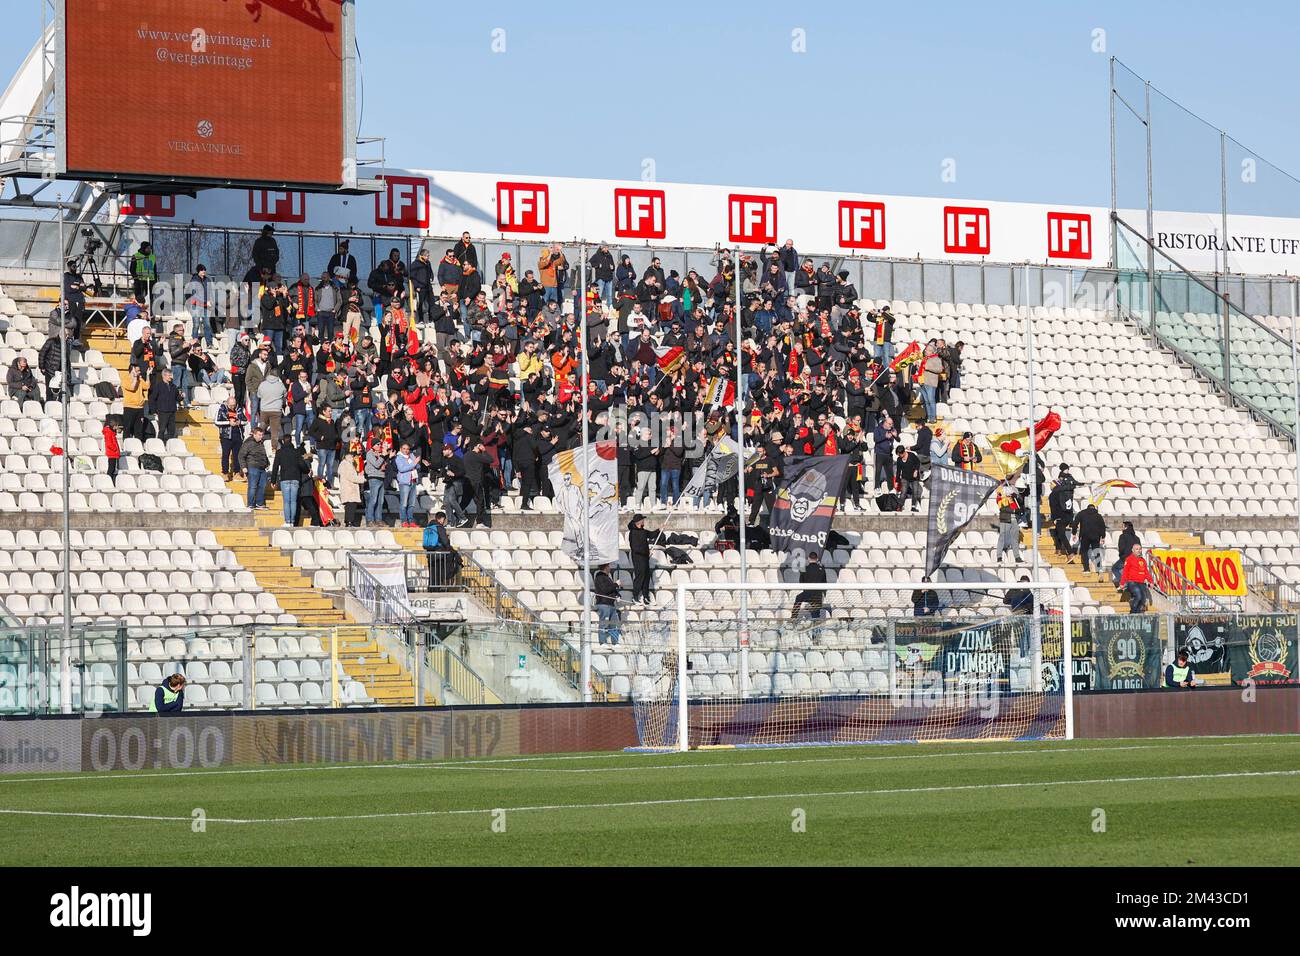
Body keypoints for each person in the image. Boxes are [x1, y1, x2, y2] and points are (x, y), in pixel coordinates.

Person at [270, 438, 308, 526]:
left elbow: (275, 467)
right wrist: (307, 470)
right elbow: (302, 464)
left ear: (283, 442)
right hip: (295, 478)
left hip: (285, 479)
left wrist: (273, 480)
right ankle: (292, 521)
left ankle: (287, 522)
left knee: (287, 501)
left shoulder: (279, 452)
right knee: (293, 501)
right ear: (291, 441)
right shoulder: (296, 452)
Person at [422, 511, 460, 587]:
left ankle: (431, 589)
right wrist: (452, 550)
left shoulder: (428, 527)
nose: (443, 522)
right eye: (444, 519)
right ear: (441, 519)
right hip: (439, 555)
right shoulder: (439, 527)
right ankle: (437, 590)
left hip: (430, 555)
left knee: (432, 574)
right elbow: (445, 541)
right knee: (438, 574)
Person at [238, 425, 271, 509]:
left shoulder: (261, 443)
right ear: (254, 434)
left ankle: (259, 503)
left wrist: (267, 462)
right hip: (252, 467)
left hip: (262, 468)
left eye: (262, 435)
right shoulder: (248, 443)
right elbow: (241, 455)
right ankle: (250, 504)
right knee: (252, 486)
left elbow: (262, 454)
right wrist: (243, 467)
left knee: (262, 486)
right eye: (259, 435)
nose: (261, 436)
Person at [216, 395, 247, 480]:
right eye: (231, 405)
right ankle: (225, 473)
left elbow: (245, 421)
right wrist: (228, 422)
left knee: (237, 455)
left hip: (238, 435)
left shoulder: (239, 409)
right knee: (226, 455)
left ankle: (237, 473)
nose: (233, 407)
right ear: (227, 403)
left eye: (234, 405)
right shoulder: (222, 409)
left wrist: (239, 422)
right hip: (226, 436)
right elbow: (216, 422)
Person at [792, 551, 829, 619]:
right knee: (816, 612)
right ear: (817, 559)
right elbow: (824, 583)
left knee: (798, 598)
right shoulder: (822, 569)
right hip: (818, 595)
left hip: (807, 594)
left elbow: (801, 583)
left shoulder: (804, 569)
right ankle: (816, 621)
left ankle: (793, 617)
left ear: (808, 559)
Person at [629, 514, 656, 604]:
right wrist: (646, 552)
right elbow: (635, 548)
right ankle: (635, 596)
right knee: (640, 576)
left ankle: (645, 596)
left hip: (644, 558)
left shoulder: (643, 531)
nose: (644, 521)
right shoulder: (633, 533)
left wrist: (659, 529)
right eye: (643, 520)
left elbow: (651, 534)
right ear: (639, 521)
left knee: (646, 577)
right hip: (638, 558)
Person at [1118, 544, 1153, 614]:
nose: (1139, 551)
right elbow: (1125, 572)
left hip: (1142, 582)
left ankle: (1137, 613)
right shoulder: (1129, 559)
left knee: (1143, 599)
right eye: (1137, 549)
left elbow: (1146, 571)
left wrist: (1151, 581)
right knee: (1138, 596)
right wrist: (1122, 583)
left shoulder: (1143, 560)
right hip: (1132, 582)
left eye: (1140, 549)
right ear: (1133, 550)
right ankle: (1132, 613)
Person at [1073, 502, 1107, 576]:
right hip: (1096, 536)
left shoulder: (1081, 513)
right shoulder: (1098, 516)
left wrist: (1074, 533)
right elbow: (1102, 526)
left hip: (1085, 536)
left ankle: (1086, 569)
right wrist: (1103, 536)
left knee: (1084, 551)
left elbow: (1075, 523)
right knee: (1096, 551)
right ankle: (1099, 568)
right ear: (1094, 508)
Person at [593, 564, 622, 644]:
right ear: (605, 567)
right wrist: (616, 584)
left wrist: (617, 595)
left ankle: (615, 642)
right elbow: (605, 590)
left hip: (611, 604)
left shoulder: (607, 577)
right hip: (603, 603)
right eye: (609, 566)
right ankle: (602, 642)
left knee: (614, 624)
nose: (610, 568)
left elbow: (611, 590)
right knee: (604, 624)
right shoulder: (599, 578)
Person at [995, 485, 1022, 564]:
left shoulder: (1013, 497)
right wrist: (1013, 509)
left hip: (1015, 520)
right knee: (1002, 537)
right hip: (1005, 519)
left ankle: (1017, 557)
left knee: (1015, 538)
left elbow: (1020, 502)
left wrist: (1016, 496)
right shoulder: (1000, 497)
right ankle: (999, 556)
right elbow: (1002, 508)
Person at [152, 368, 180, 441]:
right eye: (169, 375)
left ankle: (170, 446)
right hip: (162, 411)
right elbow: (152, 398)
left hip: (172, 411)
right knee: (162, 430)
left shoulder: (173, 386)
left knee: (171, 431)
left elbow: (177, 398)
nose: (171, 377)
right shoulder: (158, 385)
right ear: (164, 376)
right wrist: (154, 411)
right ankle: (159, 446)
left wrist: (182, 396)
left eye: (171, 375)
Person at [339, 450, 365, 527]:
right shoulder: (346, 464)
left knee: (350, 506)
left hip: (349, 489)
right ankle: (349, 522)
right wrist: (361, 478)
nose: (352, 458)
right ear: (345, 456)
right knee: (351, 506)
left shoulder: (345, 464)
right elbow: (351, 477)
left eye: (352, 456)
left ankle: (348, 522)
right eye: (350, 456)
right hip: (349, 489)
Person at [1112, 521, 1141, 587]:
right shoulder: (1137, 538)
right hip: (1135, 559)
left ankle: (1124, 583)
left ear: (1126, 527)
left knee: (1115, 568)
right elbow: (1139, 550)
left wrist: (1121, 556)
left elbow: (1121, 548)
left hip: (1126, 558)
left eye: (1122, 526)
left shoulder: (1122, 536)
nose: (1121, 528)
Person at [103, 419, 122, 485]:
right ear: (114, 426)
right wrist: (115, 449)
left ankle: (110, 481)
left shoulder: (112, 433)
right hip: (112, 454)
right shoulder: (109, 433)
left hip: (113, 453)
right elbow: (109, 444)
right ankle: (109, 481)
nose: (117, 427)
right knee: (111, 469)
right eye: (116, 426)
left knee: (112, 468)